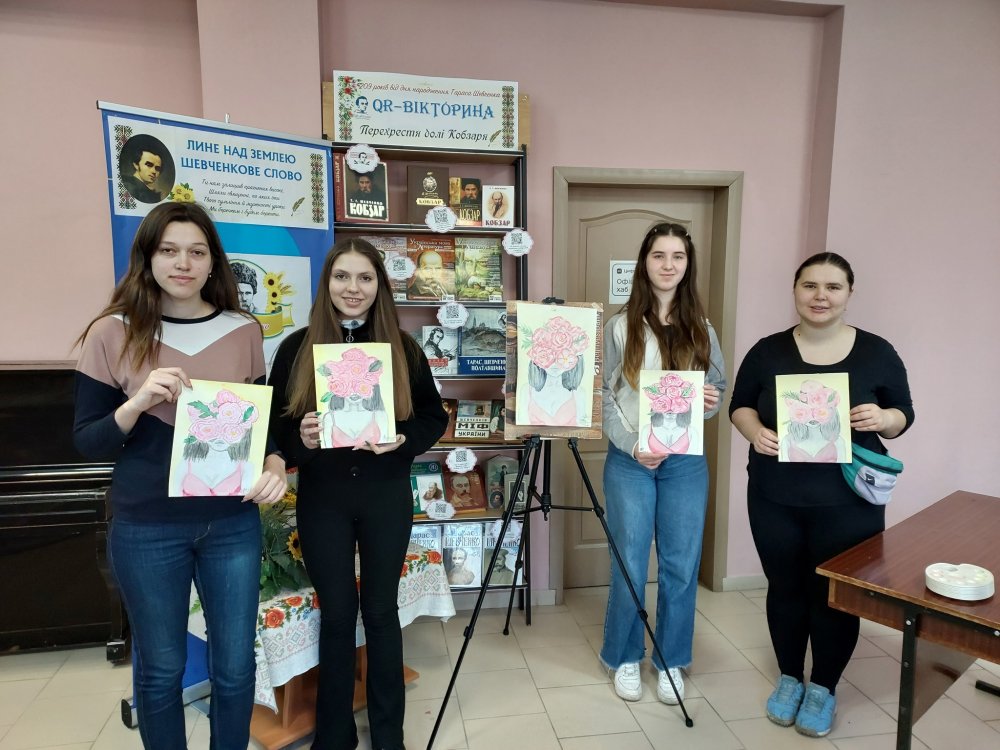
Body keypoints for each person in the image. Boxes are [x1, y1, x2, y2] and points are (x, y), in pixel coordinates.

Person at [73, 202, 287, 750]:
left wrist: (273, 463)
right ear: (147, 258)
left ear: (213, 262)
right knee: (161, 669)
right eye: (168, 250)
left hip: (232, 523)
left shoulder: (243, 330)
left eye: (196, 251)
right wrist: (137, 403)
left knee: (236, 668)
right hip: (146, 527)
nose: (183, 263)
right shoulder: (112, 332)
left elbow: (259, 427)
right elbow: (88, 440)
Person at [268, 237, 448, 750]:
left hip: (384, 495)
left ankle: (389, 737)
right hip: (323, 499)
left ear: (379, 286)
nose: (353, 288)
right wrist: (300, 442)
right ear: (326, 283)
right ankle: (334, 738)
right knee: (337, 616)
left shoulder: (402, 348)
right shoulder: (297, 348)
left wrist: (402, 440)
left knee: (381, 613)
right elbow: (274, 431)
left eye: (365, 278)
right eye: (342, 276)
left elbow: (433, 417)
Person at [729, 252, 913, 738]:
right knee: (785, 589)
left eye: (833, 287)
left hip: (849, 502)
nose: (820, 296)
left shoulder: (877, 352)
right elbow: (740, 405)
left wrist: (884, 418)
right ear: (795, 290)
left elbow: (903, 413)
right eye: (810, 285)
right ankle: (790, 677)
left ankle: (824, 687)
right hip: (775, 497)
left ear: (850, 294)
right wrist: (753, 431)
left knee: (836, 597)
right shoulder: (767, 351)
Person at [600, 222, 726, 706]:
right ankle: (625, 656)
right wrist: (633, 445)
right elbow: (602, 398)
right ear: (644, 262)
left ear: (688, 265)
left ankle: (671, 658)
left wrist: (710, 402)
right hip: (631, 461)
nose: (668, 264)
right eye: (659, 255)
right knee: (630, 562)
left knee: (680, 564)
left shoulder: (702, 328)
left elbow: (715, 392)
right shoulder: (619, 327)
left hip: (685, 462)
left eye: (678, 256)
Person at [121, 136, 167, 203]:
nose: (154, 171)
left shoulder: (151, 192)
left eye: (157, 168)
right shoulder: (129, 186)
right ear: (136, 165)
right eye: (149, 165)